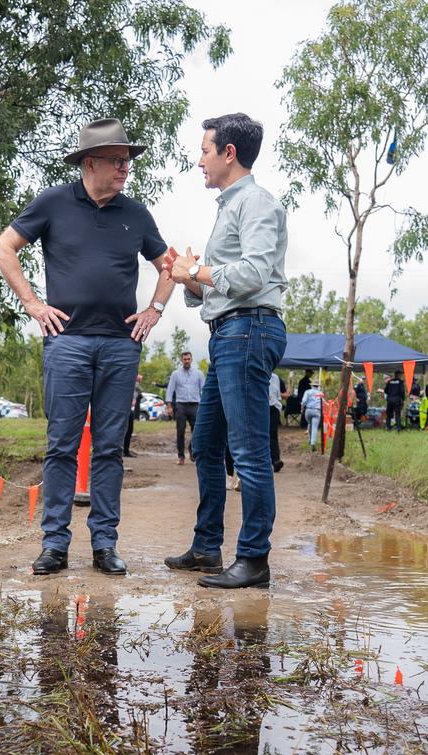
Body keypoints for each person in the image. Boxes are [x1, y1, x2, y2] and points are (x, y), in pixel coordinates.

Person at [0, 118, 172, 576]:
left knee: (110, 449)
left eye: (127, 162)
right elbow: (3, 248)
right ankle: (54, 544)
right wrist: (33, 304)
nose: (124, 169)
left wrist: (154, 309)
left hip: (120, 345)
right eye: (116, 161)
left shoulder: (136, 213)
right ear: (90, 163)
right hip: (67, 343)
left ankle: (104, 545)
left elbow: (169, 266)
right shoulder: (54, 201)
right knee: (61, 447)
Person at [164, 113, 288, 589]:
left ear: (228, 153)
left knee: (250, 451)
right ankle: (206, 546)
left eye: (204, 150)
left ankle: (254, 558)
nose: (199, 161)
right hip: (229, 332)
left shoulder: (255, 202)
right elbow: (211, 293)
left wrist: (197, 273)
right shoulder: (229, 208)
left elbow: (255, 275)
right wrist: (188, 277)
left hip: (249, 331)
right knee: (206, 443)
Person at [166, 351, 205, 464]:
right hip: (181, 405)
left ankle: (192, 450)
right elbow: (170, 389)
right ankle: (181, 456)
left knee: (197, 431)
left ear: (191, 360)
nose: (186, 361)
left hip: (195, 405)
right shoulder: (175, 374)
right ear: (182, 360)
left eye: (188, 359)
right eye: (185, 359)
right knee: (180, 431)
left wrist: (204, 405)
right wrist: (169, 405)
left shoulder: (199, 374)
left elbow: (203, 390)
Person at [269, 371, 286, 472]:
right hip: (259, 407)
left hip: (274, 407)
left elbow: (283, 394)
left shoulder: (276, 378)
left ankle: (276, 460)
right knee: (260, 435)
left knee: (273, 434)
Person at [124, 373, 143, 457]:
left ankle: (126, 451)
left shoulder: (136, 387)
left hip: (130, 409)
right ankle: (121, 451)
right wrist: (136, 379)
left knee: (129, 431)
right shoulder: (134, 384)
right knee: (124, 431)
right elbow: (140, 388)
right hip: (124, 409)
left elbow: (140, 391)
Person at [301, 380, 323, 450]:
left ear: (312, 385)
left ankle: (310, 440)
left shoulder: (307, 392)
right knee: (314, 427)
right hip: (317, 411)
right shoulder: (321, 393)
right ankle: (313, 442)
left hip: (308, 410)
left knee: (310, 424)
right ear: (318, 386)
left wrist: (302, 408)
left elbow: (304, 401)